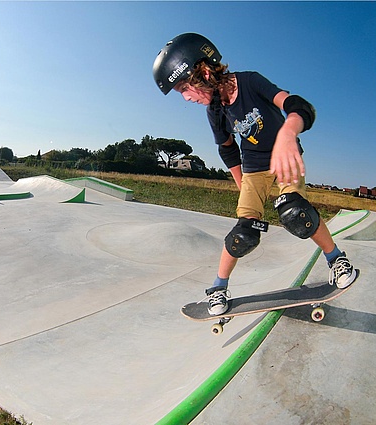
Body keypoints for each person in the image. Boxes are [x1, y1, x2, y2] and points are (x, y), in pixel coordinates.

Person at [153, 33, 358, 316]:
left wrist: (289, 131)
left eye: (183, 89)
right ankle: (218, 288)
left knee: (296, 212)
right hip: (253, 169)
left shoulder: (251, 81)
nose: (186, 98)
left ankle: (336, 259)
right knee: (243, 233)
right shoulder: (214, 111)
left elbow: (298, 106)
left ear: (203, 72)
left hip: (284, 158)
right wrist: (242, 186)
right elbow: (227, 150)